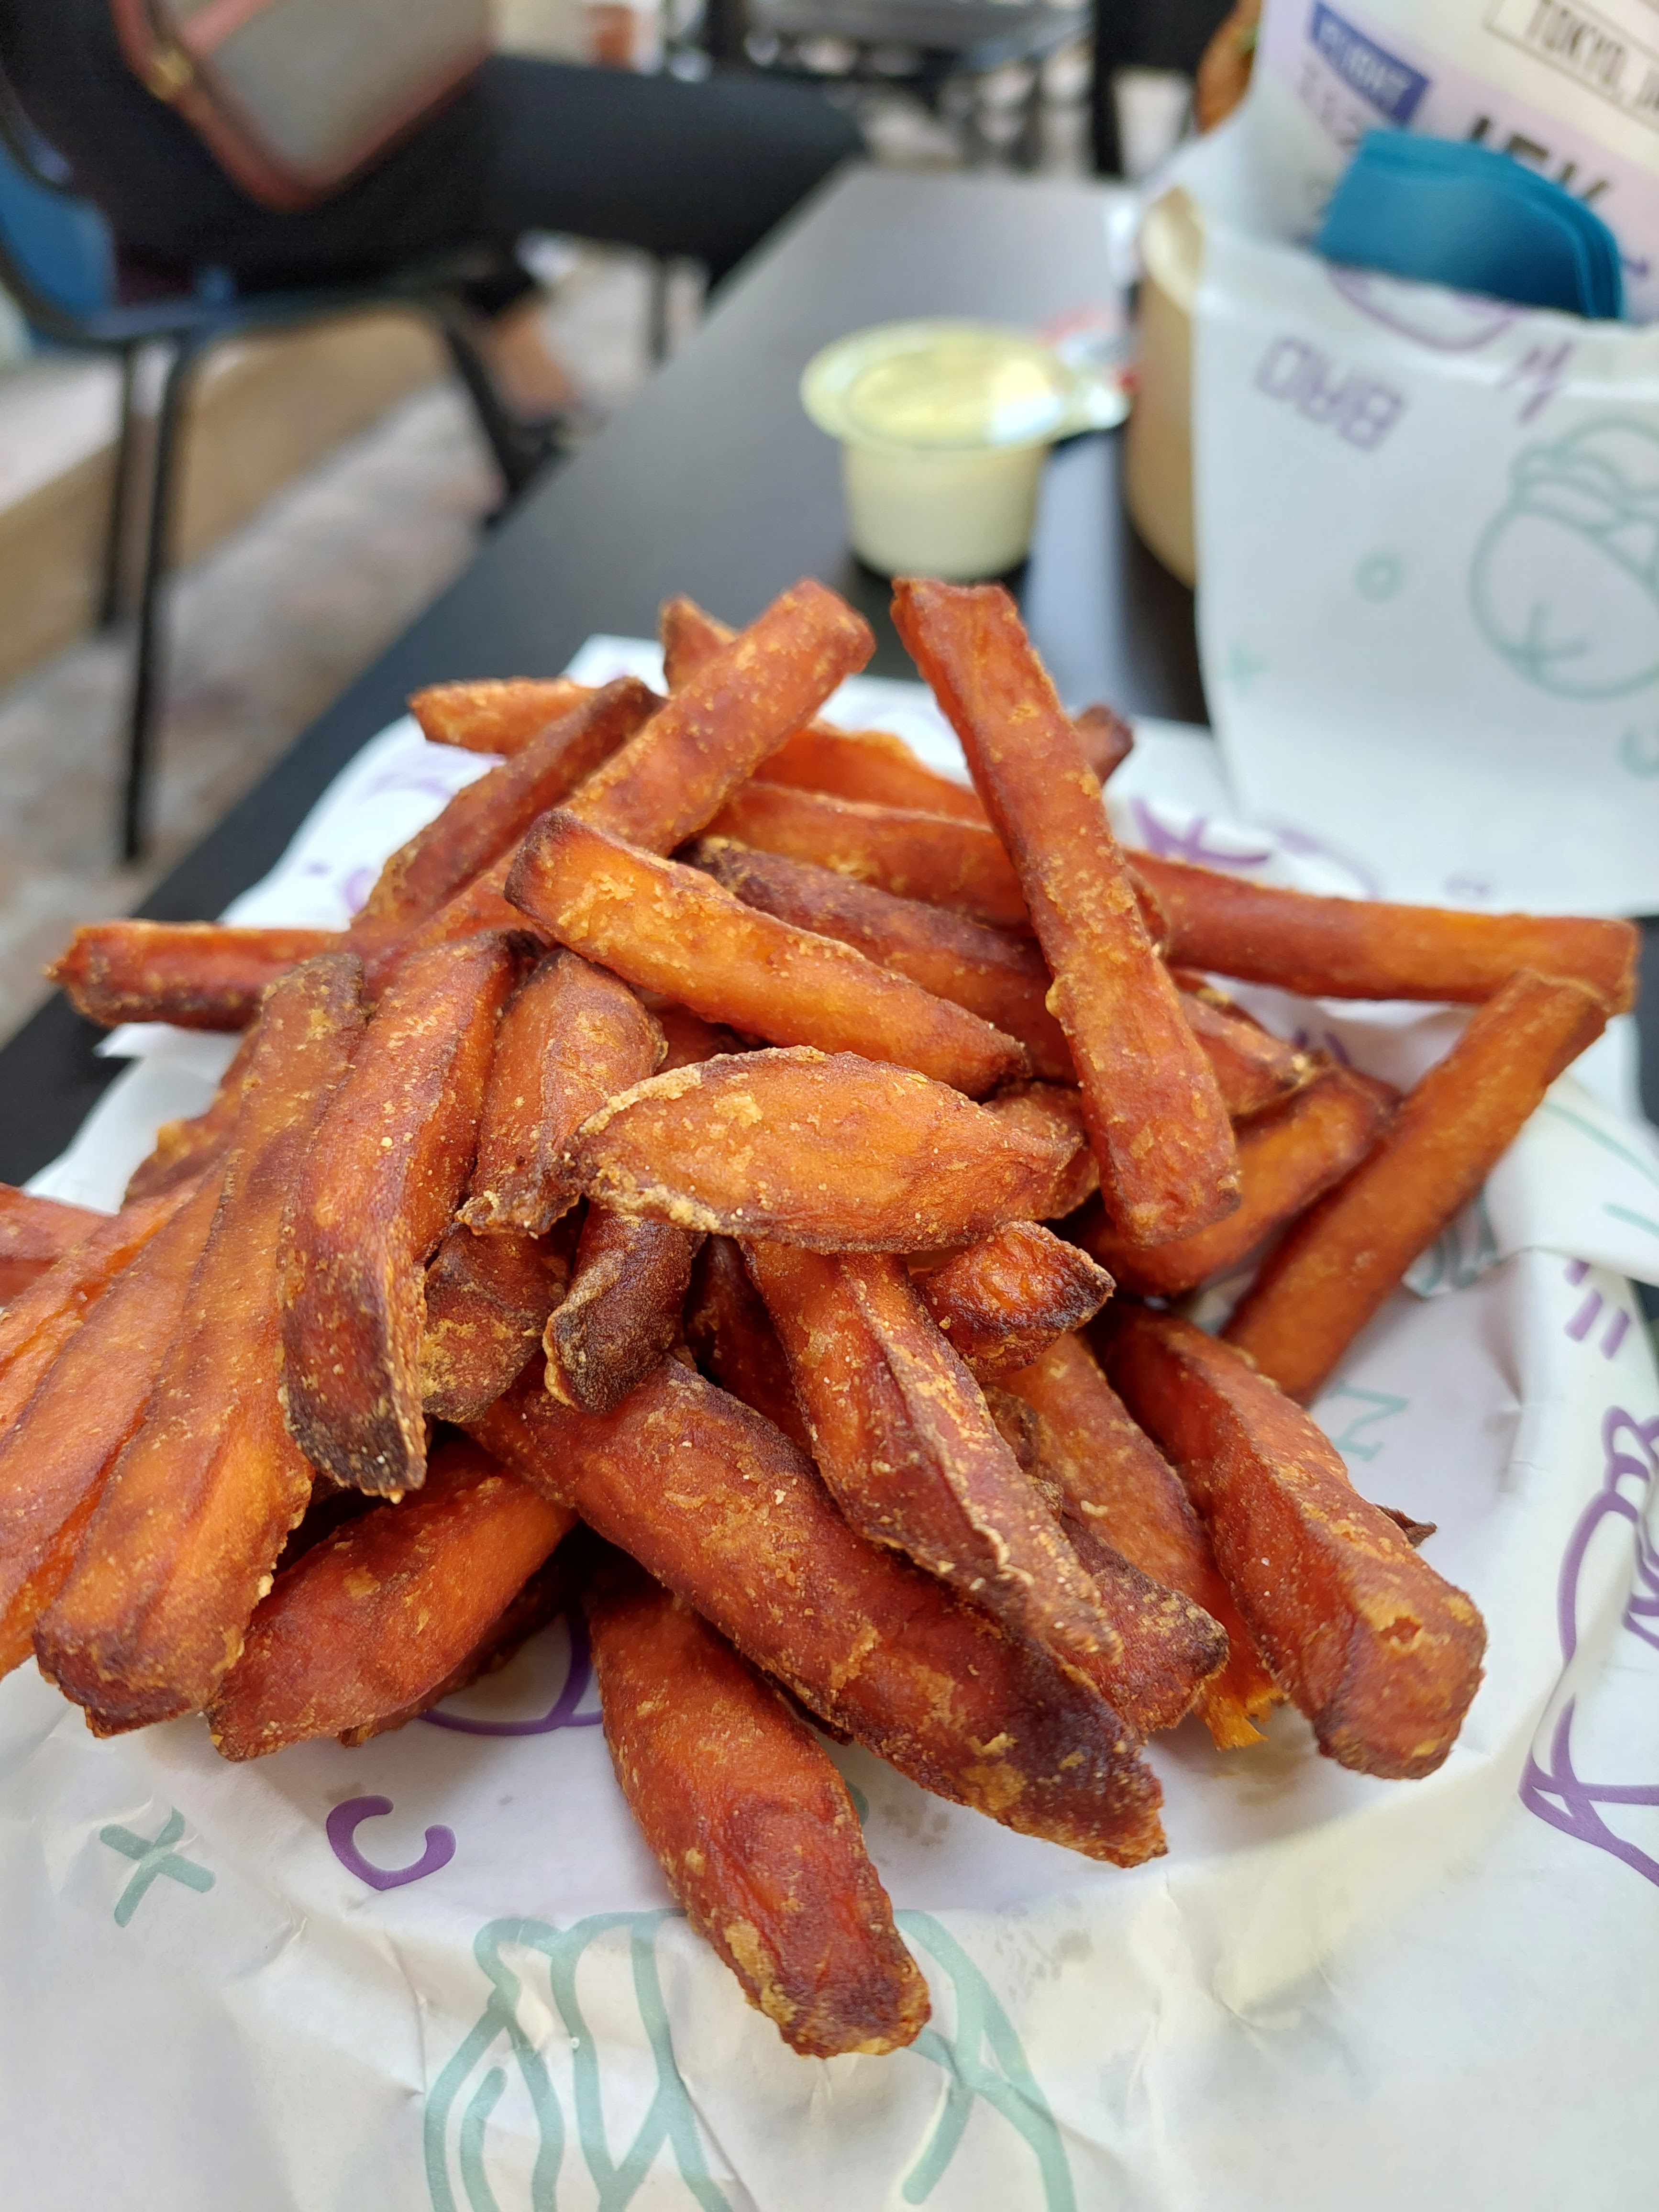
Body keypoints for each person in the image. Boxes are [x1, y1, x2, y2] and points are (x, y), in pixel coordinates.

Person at [0, 1, 863, 412]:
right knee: (807, 160)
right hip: (287, 153)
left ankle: (546, 399)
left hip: (193, 157)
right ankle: (745, 492)